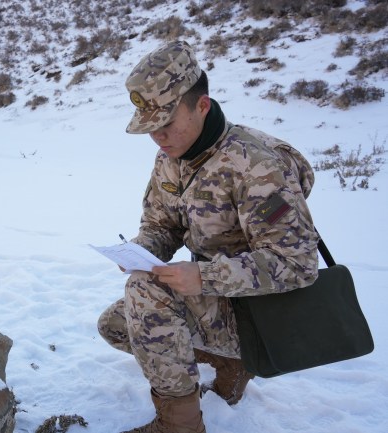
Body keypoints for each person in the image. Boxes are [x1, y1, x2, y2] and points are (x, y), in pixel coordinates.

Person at [97, 41, 319, 433]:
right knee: (116, 324)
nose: (159, 138)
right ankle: (230, 365)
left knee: (145, 296)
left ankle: (181, 426)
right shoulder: (172, 157)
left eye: (167, 124)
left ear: (202, 105)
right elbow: (162, 225)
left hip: (266, 313)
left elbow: (297, 264)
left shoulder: (257, 165)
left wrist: (203, 277)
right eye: (151, 129)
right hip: (222, 303)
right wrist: (142, 249)